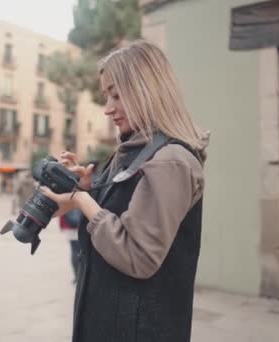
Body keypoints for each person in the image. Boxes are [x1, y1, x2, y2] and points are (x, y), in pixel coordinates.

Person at [41, 41, 209, 342]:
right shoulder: (130, 152)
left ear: (148, 91)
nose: (108, 109)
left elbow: (138, 255)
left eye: (117, 95)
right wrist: (88, 190)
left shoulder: (171, 160)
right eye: (107, 95)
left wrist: (83, 199)